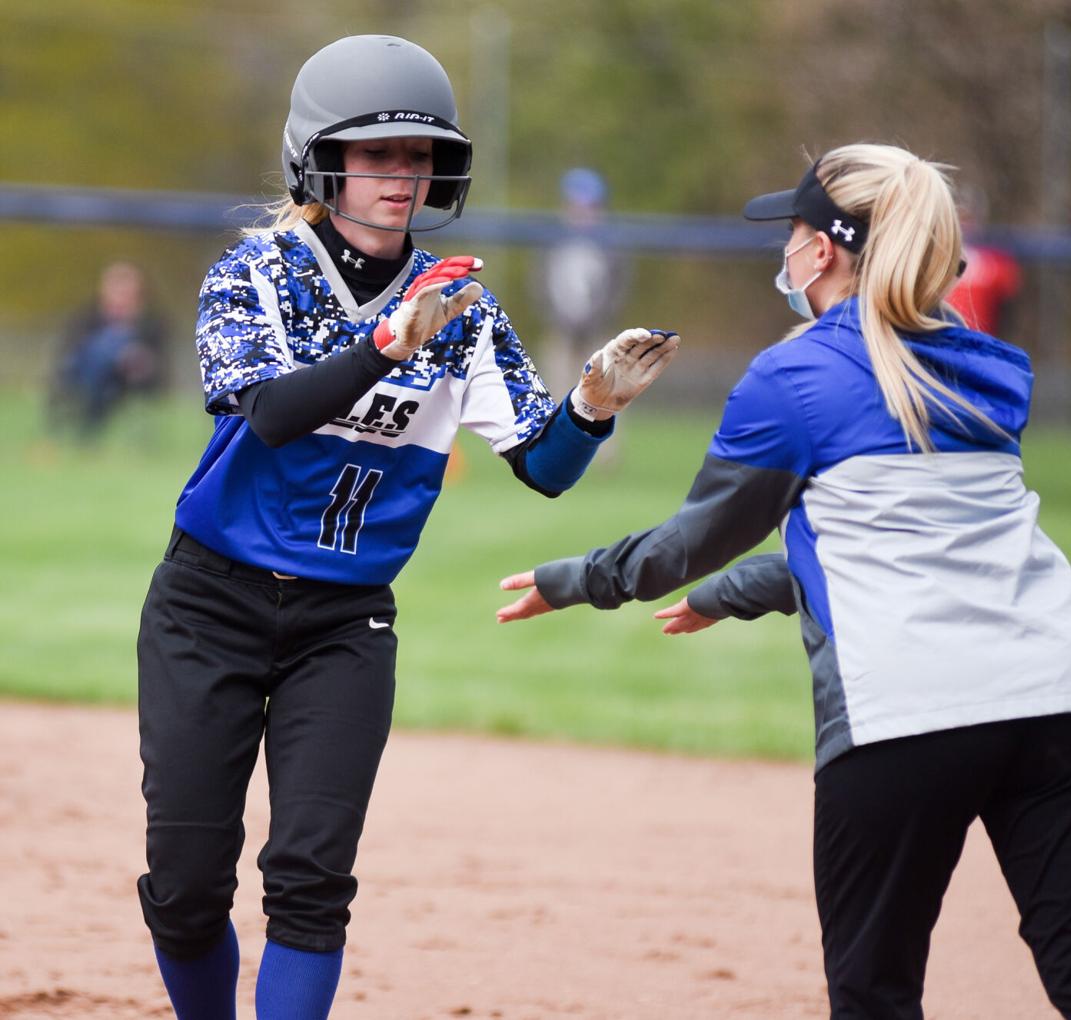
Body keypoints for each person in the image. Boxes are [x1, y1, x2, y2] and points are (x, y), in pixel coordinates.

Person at [496, 143, 1071, 1019]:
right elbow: (903, 542)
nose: (783, 249)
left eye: (793, 231)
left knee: (874, 993)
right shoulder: (993, 367)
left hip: (907, 714)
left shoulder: (794, 377)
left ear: (821, 251)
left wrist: (575, 579)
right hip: (1065, 697)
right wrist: (734, 594)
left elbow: (687, 543)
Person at [135, 35, 679, 1020]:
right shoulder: (257, 273)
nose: (402, 174)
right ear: (319, 157)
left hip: (344, 626)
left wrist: (594, 408)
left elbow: (545, 471)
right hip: (207, 601)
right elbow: (268, 412)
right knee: (183, 889)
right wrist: (383, 345)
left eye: (419, 155)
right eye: (377, 151)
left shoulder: (463, 307)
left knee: (310, 880)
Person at [537, 167, 630, 397]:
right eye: (575, 205)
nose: (582, 212)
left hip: (598, 333)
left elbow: (617, 290)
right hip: (560, 330)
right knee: (556, 396)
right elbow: (540, 286)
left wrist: (595, 320)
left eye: (589, 206)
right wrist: (558, 317)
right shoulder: (552, 242)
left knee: (604, 398)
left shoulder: (611, 245)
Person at [50, 260, 167, 438]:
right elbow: (72, 347)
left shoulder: (150, 323)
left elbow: (159, 360)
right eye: (115, 287)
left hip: (128, 378)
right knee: (98, 354)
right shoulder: (87, 316)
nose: (120, 294)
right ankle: (87, 419)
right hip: (85, 371)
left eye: (125, 288)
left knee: (105, 357)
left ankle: (88, 424)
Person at [945, 184, 1022, 335]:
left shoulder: (994, 260)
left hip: (979, 343)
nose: (965, 223)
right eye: (961, 216)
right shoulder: (936, 255)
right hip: (941, 341)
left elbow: (1007, 311)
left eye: (969, 216)